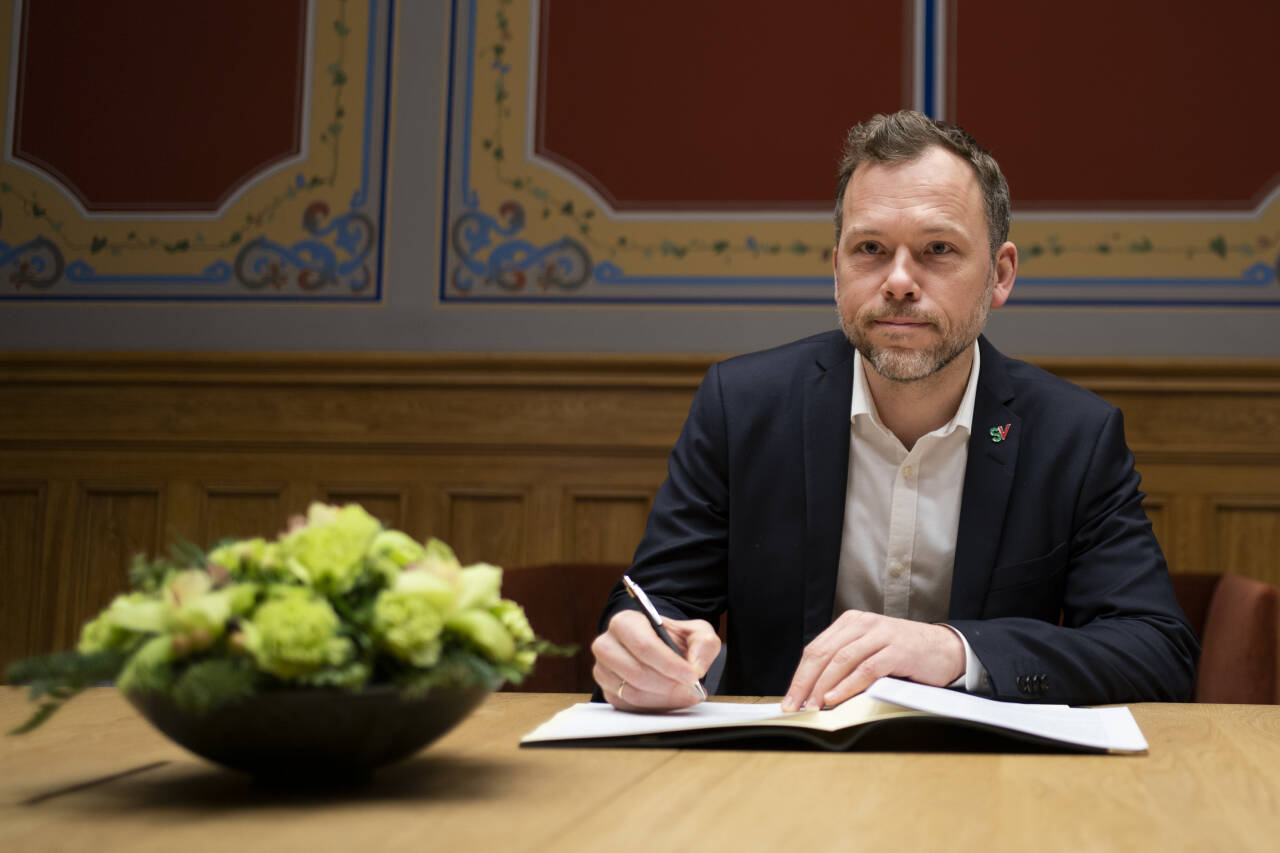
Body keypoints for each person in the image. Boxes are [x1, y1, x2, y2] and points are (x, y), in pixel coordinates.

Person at [590, 110, 1199, 712]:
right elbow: (656, 602)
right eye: (871, 249)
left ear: (1000, 274)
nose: (900, 281)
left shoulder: (1074, 436)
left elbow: (1155, 651)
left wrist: (958, 651)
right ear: (837, 271)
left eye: (937, 249)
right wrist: (643, 649)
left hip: (990, 780)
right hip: (780, 769)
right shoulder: (742, 406)